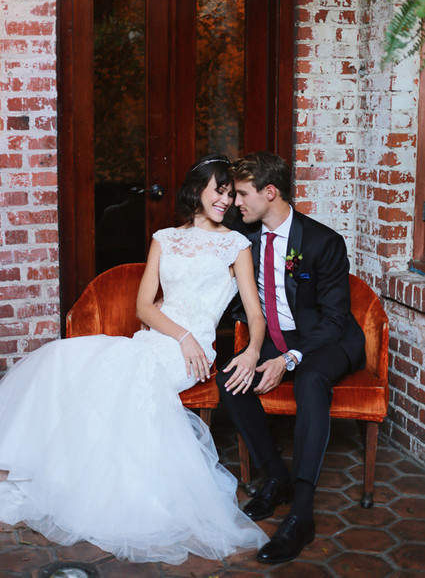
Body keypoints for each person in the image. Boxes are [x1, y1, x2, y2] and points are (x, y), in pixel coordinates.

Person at [0, 154, 269, 565]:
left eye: (231, 194)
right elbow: (144, 306)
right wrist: (180, 335)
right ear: (197, 191)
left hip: (194, 353)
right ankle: (52, 473)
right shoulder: (165, 238)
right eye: (219, 191)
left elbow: (255, 314)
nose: (226, 200)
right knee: (64, 358)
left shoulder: (236, 245)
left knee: (129, 376)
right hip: (160, 337)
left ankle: (92, 487)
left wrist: (251, 351)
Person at [216, 152, 366, 564]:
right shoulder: (242, 233)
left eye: (242, 194)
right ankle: (277, 477)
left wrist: (289, 359)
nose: (235, 202)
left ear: (270, 192)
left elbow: (335, 319)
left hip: (328, 340)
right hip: (275, 337)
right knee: (230, 378)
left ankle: (301, 513)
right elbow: (201, 232)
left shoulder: (322, 242)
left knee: (311, 380)